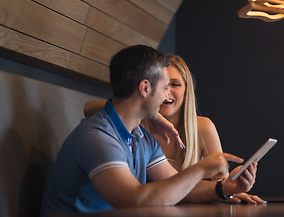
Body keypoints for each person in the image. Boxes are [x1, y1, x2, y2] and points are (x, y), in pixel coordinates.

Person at [84, 54, 263, 204]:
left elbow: (205, 186)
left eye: (175, 84)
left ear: (187, 90)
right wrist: (151, 114)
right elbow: (89, 108)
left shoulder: (202, 127)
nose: (167, 92)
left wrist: (227, 189)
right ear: (147, 88)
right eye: (162, 85)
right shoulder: (137, 130)